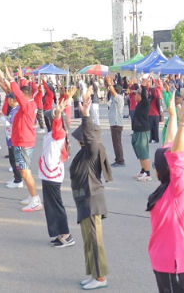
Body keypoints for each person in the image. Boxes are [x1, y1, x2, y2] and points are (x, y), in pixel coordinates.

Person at [147, 92, 184, 293]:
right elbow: (169, 147)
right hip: (165, 262)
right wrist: (173, 116)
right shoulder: (167, 187)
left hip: (176, 263)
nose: (154, 169)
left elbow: (177, 156)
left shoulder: (178, 188)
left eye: (155, 165)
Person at [70, 96, 113, 290]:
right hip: (84, 200)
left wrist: (85, 116)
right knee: (88, 241)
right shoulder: (84, 152)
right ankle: (93, 274)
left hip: (92, 200)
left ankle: (101, 277)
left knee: (95, 242)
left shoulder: (93, 150)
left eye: (81, 139)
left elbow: (90, 140)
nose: (78, 141)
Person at [0, 68, 43, 212]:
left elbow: (18, 92)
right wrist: (18, 79)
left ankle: (35, 200)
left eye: (19, 96)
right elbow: (20, 90)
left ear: (23, 96)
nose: (16, 98)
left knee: (24, 171)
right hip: (21, 141)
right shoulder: (28, 104)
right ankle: (32, 196)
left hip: (24, 142)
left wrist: (12, 80)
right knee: (24, 170)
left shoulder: (28, 105)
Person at [39, 98, 75, 248]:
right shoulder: (55, 133)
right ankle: (60, 233)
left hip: (52, 175)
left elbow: (57, 123)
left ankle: (66, 235)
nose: (45, 121)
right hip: (48, 173)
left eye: (48, 119)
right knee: (51, 206)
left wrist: (58, 114)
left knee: (56, 205)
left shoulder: (58, 133)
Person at [131, 79, 152, 181]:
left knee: (144, 152)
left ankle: (147, 173)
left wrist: (143, 87)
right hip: (137, 131)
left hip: (143, 131)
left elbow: (144, 96)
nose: (135, 96)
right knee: (139, 152)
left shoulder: (145, 103)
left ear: (140, 95)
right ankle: (143, 170)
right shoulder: (139, 104)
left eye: (136, 94)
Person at [105, 76, 125, 167]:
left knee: (117, 143)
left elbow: (112, 92)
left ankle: (120, 160)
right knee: (115, 143)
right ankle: (118, 159)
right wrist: (109, 84)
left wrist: (109, 83)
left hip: (117, 124)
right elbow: (110, 94)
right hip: (114, 123)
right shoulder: (114, 98)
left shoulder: (119, 98)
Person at [148, 77, 162, 143]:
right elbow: (158, 105)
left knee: (150, 127)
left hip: (150, 113)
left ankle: (150, 139)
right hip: (156, 113)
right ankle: (156, 139)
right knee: (156, 127)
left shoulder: (149, 96)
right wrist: (159, 113)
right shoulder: (156, 94)